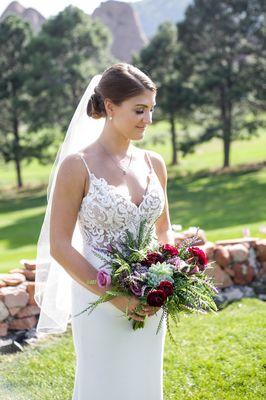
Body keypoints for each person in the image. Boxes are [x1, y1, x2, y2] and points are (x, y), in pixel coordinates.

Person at [35, 62, 175, 400]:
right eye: (139, 110)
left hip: (149, 299)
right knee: (104, 385)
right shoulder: (76, 166)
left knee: (143, 382)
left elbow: (164, 230)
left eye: (151, 110)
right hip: (98, 298)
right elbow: (59, 246)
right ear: (110, 107)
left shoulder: (154, 163)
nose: (148, 120)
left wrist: (169, 275)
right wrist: (118, 297)